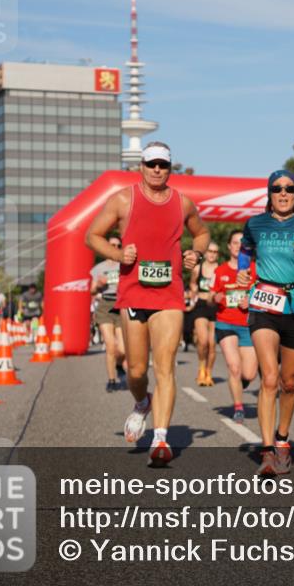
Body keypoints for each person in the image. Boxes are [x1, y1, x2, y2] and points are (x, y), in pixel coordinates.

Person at [85, 141, 209, 466]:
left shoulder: (182, 203)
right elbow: (92, 235)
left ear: (170, 169)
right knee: (137, 370)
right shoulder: (124, 199)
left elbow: (202, 234)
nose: (157, 170)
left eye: (163, 165)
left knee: (164, 367)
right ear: (141, 165)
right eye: (151, 164)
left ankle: (161, 439)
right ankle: (142, 403)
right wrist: (117, 254)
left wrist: (195, 253)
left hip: (169, 294)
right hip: (134, 292)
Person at [238, 169, 294, 475]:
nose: (283, 193)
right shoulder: (256, 224)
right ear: (269, 193)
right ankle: (266, 451)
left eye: (289, 189)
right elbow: (245, 250)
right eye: (277, 188)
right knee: (268, 379)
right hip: (265, 302)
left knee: (288, 382)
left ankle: (282, 439)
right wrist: (242, 270)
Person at [212, 230, 259, 423]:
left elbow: (265, 293)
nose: (238, 246)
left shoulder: (255, 269)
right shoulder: (220, 271)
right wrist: (217, 297)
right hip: (226, 322)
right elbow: (212, 295)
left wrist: (251, 300)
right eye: (235, 242)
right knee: (233, 367)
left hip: (248, 324)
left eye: (242, 243)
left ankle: (242, 382)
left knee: (249, 373)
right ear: (229, 246)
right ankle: (238, 407)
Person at [90, 234, 127, 391]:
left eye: (119, 246)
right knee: (110, 346)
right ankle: (111, 380)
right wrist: (98, 284)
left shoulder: (124, 266)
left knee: (123, 349)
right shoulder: (99, 268)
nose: (116, 248)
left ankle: (119, 366)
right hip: (106, 304)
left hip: (122, 305)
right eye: (113, 245)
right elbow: (92, 290)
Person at [188, 242, 220, 387]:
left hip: (215, 307)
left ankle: (208, 372)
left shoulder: (221, 270)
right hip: (201, 305)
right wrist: (193, 293)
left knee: (212, 344)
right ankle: (201, 368)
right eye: (210, 251)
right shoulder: (197, 268)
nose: (212, 254)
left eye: (215, 252)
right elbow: (193, 283)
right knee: (203, 341)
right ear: (205, 253)